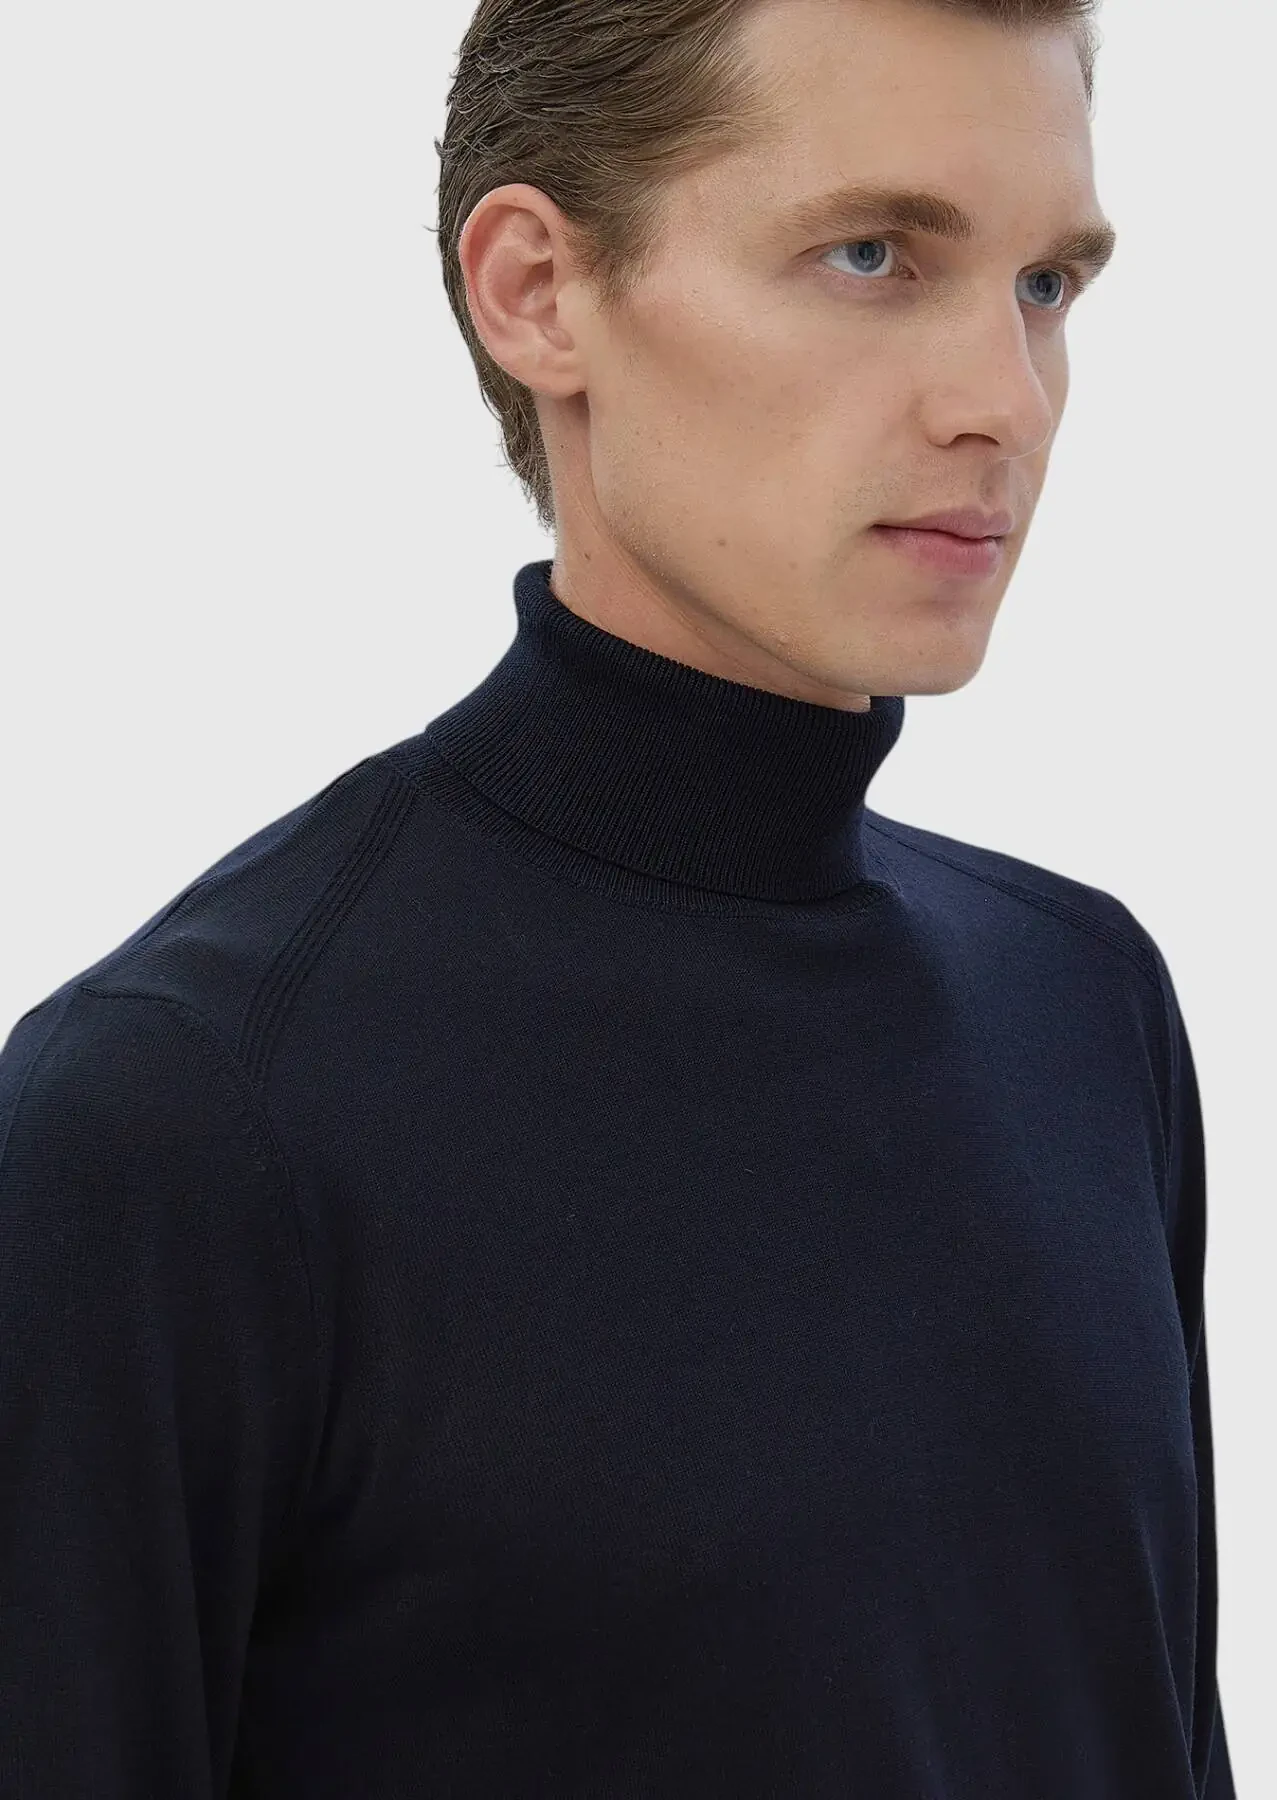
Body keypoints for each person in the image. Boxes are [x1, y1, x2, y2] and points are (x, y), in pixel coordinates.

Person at [0, 0, 1236, 1794]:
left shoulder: (1085, 1005)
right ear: (538, 293)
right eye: (874, 256)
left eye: (1047, 285)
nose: (1005, 402)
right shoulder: (184, 1122)